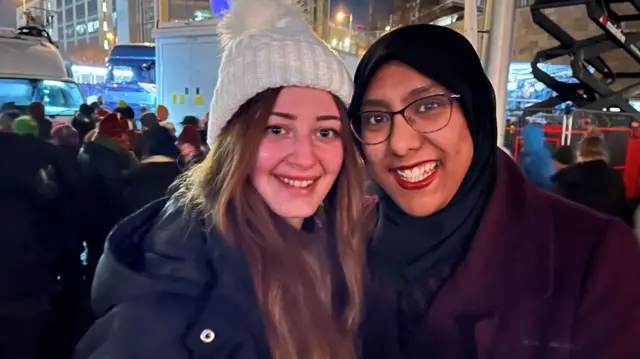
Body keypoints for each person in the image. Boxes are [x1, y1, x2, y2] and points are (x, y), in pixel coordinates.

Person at [75, 1, 366, 359]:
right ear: (232, 141)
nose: (306, 157)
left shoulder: (333, 249)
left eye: (325, 131)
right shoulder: (163, 304)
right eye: (276, 128)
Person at [349, 25, 640, 359]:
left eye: (428, 106)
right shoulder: (344, 241)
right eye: (375, 118)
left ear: (475, 114)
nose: (399, 143)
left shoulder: (591, 256)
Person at [553, 134, 630, 225]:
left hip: (571, 233)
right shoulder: (615, 178)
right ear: (604, 153)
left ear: (580, 152)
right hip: (604, 234)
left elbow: (555, 211)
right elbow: (623, 216)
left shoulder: (565, 176)